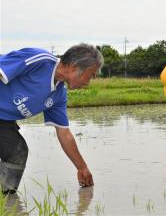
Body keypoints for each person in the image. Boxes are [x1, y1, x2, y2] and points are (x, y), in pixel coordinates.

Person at [0, 43, 103, 194]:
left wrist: (82, 167)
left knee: (17, 151)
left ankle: (5, 201)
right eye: (91, 75)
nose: (88, 82)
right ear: (75, 66)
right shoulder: (39, 60)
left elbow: (64, 133)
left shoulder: (59, 95)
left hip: (3, 120)